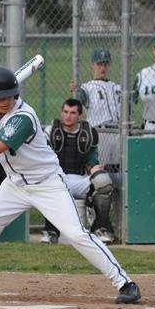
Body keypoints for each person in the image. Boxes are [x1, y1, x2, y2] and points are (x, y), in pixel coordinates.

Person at [0, 66, 141, 304]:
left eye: (10, 95)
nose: (6, 100)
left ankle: (126, 284)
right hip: (15, 184)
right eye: (0, 97)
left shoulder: (23, 117)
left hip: (47, 184)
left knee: (76, 234)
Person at [40, 98, 116, 245]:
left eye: (73, 113)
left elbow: (92, 159)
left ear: (79, 115)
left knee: (103, 182)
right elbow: (42, 155)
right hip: (58, 178)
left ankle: (100, 228)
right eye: (65, 112)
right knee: (46, 183)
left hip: (80, 179)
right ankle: (50, 231)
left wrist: (93, 167)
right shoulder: (51, 131)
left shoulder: (88, 132)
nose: (68, 116)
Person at [70, 49, 120, 167]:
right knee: (100, 169)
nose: (103, 68)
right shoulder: (87, 88)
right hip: (99, 133)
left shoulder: (118, 87)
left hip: (118, 133)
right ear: (92, 65)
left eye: (106, 64)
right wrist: (75, 90)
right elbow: (79, 100)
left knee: (119, 170)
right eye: (99, 64)